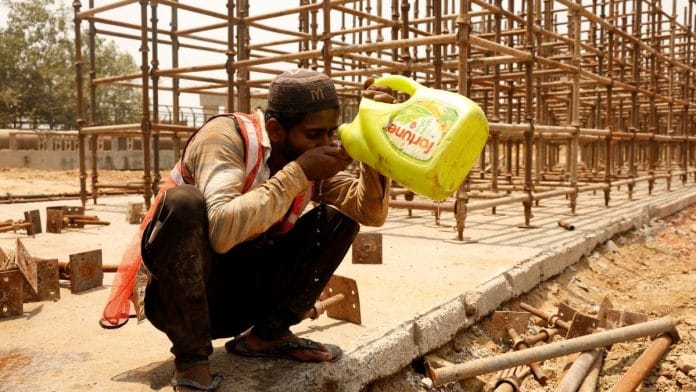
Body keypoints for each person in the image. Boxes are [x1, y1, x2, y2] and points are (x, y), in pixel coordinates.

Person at [101, 69, 395, 391]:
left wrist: (375, 146)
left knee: (337, 222)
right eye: (313, 135)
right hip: (179, 301)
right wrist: (299, 172)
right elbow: (222, 232)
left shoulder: (305, 156)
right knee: (183, 203)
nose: (324, 144)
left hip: (242, 297)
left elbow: (369, 212)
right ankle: (191, 361)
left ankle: (267, 335)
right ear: (276, 130)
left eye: (330, 133)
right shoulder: (226, 138)